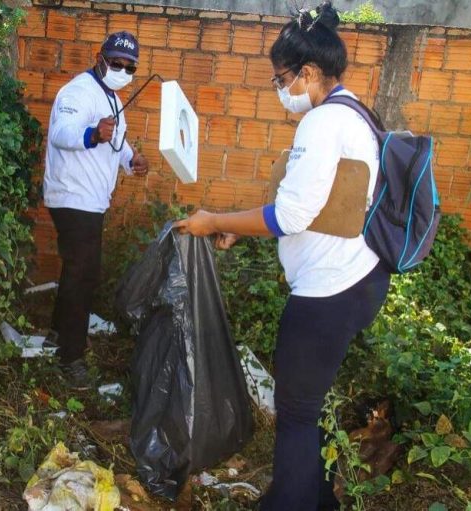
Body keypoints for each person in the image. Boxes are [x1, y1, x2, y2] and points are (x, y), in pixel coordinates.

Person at [174, 3, 390, 510]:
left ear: (309, 72)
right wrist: (244, 232)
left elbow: (291, 216)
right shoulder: (357, 111)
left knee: (295, 411)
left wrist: (215, 221)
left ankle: (289, 503)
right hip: (358, 280)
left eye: (281, 78)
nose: (279, 90)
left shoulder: (322, 123)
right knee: (307, 405)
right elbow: (322, 207)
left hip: (327, 292)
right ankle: (317, 498)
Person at [43, 31, 149, 388]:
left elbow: (115, 142)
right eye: (115, 62)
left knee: (78, 271)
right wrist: (91, 134)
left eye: (128, 66)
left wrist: (132, 159)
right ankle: (70, 359)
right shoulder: (78, 91)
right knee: (85, 274)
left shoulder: (113, 98)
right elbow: (61, 132)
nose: (121, 69)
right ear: (100, 57)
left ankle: (58, 335)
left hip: (90, 200)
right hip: (72, 196)